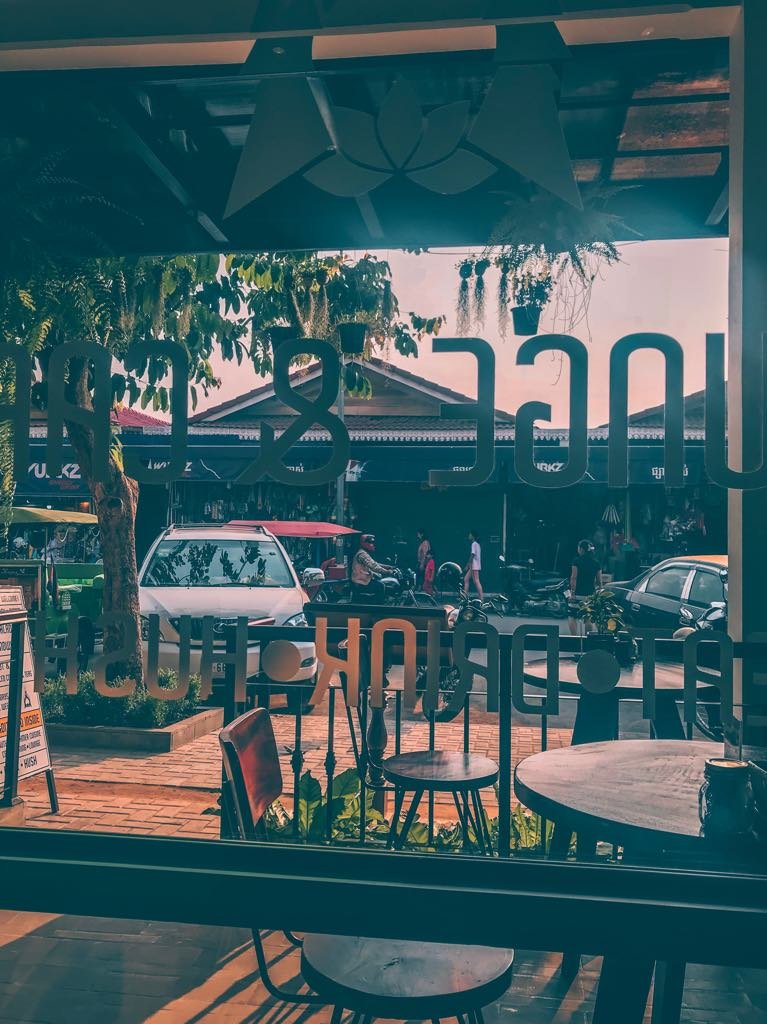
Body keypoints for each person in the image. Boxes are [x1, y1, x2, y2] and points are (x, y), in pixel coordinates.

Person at [568, 539, 603, 635]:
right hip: (590, 595)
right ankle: (588, 639)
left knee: (572, 616)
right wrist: (599, 593)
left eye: (578, 548)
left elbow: (573, 578)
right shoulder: (596, 563)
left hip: (578, 593)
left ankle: (574, 638)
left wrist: (572, 593)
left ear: (582, 549)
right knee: (588, 617)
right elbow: (599, 581)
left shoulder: (576, 561)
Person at [351, 534, 395, 601]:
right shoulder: (362, 554)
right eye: (371, 542)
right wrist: (387, 572)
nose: (373, 545)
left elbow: (374, 563)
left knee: (381, 581)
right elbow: (374, 566)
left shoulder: (364, 553)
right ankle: (378, 605)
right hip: (361, 581)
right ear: (364, 543)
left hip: (364, 579)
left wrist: (388, 567)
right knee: (381, 586)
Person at [464, 529, 484, 602]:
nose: (469, 536)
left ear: (473, 536)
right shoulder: (477, 544)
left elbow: (472, 555)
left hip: (474, 565)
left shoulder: (474, 544)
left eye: (470, 535)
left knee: (476, 581)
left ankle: (481, 598)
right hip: (475, 565)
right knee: (466, 579)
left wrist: (467, 565)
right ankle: (464, 597)